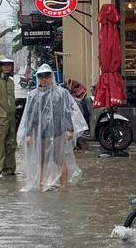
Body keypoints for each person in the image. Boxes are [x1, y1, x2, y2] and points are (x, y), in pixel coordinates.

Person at [17, 64, 88, 192]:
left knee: (60, 160)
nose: (44, 79)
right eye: (41, 76)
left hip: (57, 133)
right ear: (37, 78)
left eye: (47, 76)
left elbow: (67, 112)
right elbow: (30, 116)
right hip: (41, 134)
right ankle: (41, 185)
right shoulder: (33, 95)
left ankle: (64, 188)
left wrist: (69, 129)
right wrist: (28, 134)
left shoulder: (61, 94)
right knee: (41, 161)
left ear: (52, 77)